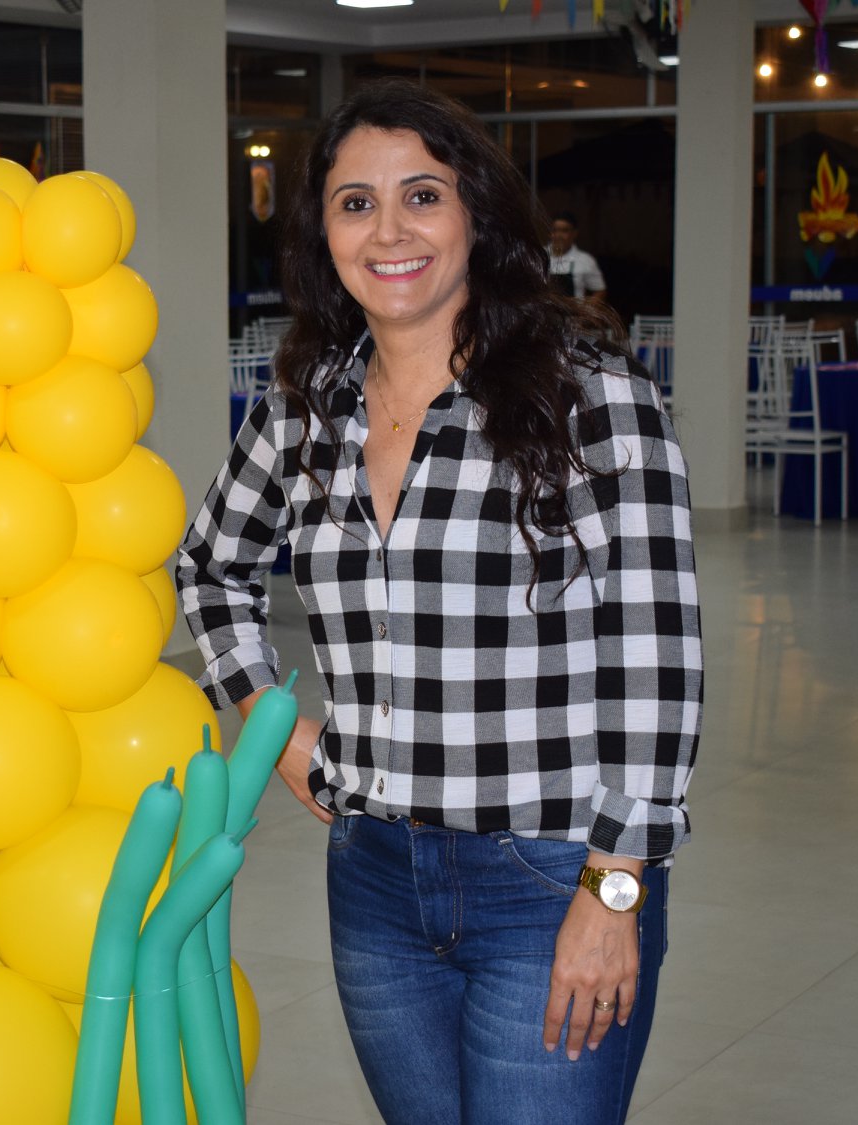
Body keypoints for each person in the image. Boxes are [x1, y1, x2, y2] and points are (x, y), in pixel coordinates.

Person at [176, 81, 700, 1125]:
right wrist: (271, 723)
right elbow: (209, 567)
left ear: (476, 215)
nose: (390, 231)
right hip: (373, 876)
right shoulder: (306, 407)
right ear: (323, 233)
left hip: (552, 873)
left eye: (422, 195)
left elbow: (655, 657)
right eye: (355, 203)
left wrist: (616, 892)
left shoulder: (590, 395)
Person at [546, 211, 608, 305]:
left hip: (573, 313)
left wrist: (585, 309)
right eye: (555, 230)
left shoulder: (585, 260)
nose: (558, 235)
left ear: (574, 233)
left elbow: (600, 291)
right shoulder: (539, 256)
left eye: (564, 231)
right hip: (544, 313)